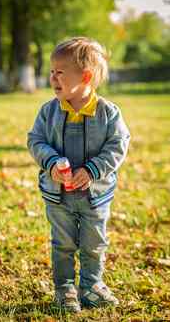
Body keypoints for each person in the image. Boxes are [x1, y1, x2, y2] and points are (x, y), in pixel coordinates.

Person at [27, 37, 131, 313]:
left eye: (60, 72)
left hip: (94, 197)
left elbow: (118, 146)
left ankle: (91, 285)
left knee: (94, 243)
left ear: (85, 77)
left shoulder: (108, 113)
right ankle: (64, 289)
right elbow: (35, 140)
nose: (53, 78)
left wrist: (93, 169)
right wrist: (50, 163)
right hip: (58, 195)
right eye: (51, 71)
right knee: (62, 244)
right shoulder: (49, 111)